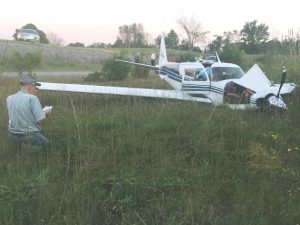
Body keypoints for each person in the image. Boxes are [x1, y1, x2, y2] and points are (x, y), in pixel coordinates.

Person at [6, 74, 52, 148]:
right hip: (29, 136)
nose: (35, 89)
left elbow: (19, 115)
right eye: (35, 87)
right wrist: (45, 112)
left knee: (21, 149)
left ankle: (24, 147)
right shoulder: (32, 98)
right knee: (48, 147)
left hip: (12, 136)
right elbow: (40, 120)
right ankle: (29, 149)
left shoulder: (9, 98)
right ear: (30, 87)